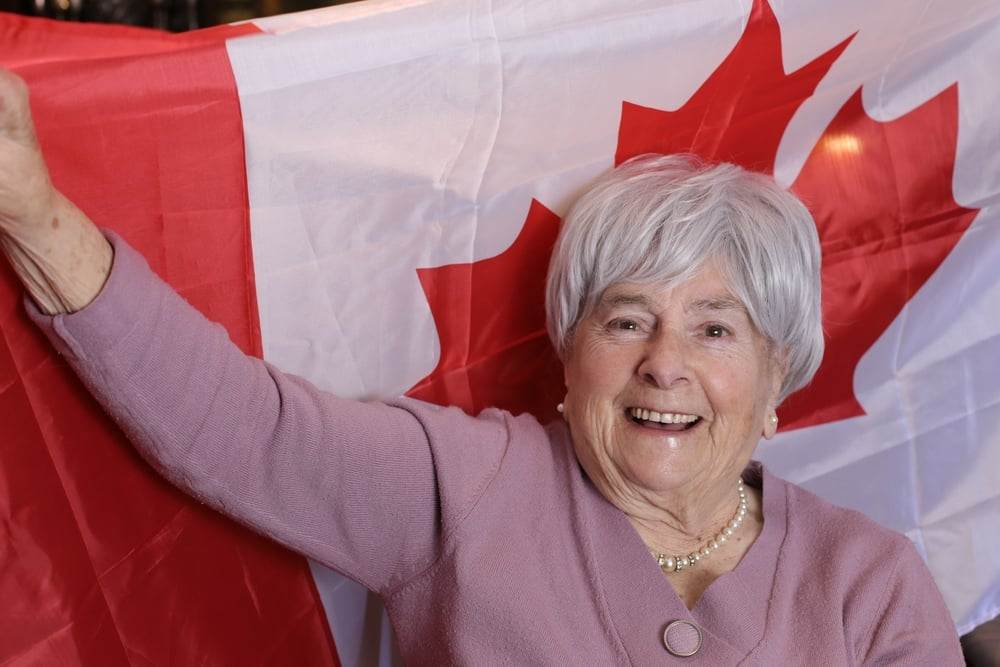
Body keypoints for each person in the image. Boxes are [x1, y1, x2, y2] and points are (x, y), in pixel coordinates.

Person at [0, 68, 964, 664]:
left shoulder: (873, 584)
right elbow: (236, 427)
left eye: (716, 331)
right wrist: (31, 209)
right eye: (626, 319)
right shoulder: (470, 489)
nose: (664, 364)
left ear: (774, 378)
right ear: (569, 353)